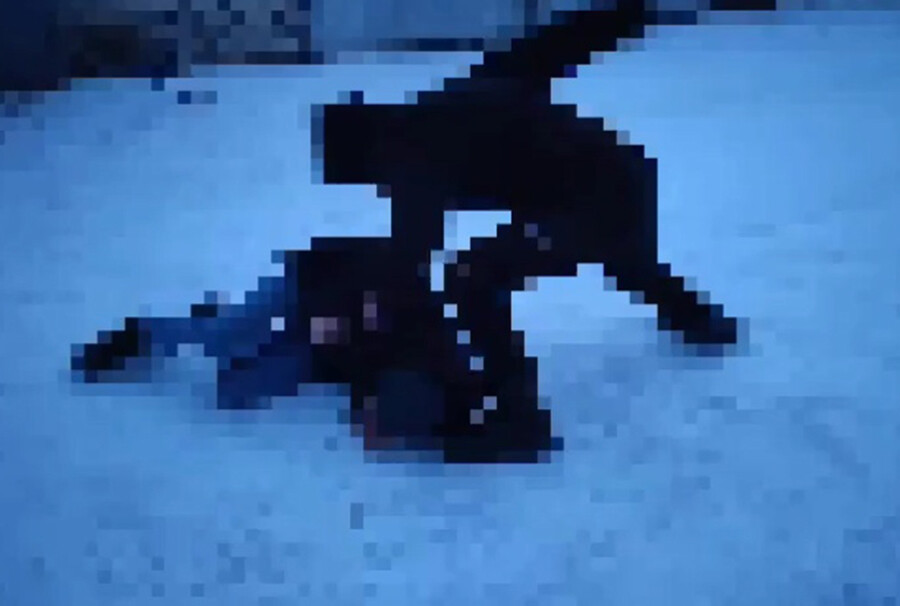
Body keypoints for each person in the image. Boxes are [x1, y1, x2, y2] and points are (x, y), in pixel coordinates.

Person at [316, 0, 770, 433]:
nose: (378, 188)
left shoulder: (409, 157)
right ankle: (704, 324)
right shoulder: (452, 98)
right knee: (617, 252)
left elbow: (415, 249)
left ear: (366, 157)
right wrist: (626, 12)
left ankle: (515, 408)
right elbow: (547, 49)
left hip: (592, 197)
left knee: (471, 277)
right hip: (621, 173)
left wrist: (368, 312)